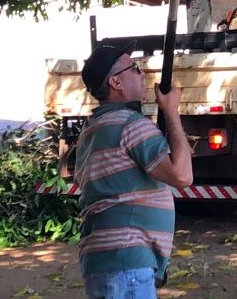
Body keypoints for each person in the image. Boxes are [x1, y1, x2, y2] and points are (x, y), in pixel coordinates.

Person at [74, 44, 192, 299]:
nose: (142, 75)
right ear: (115, 82)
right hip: (126, 260)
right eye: (135, 69)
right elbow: (182, 176)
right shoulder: (130, 125)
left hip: (107, 260)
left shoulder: (93, 128)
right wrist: (172, 111)